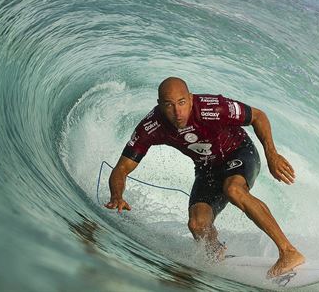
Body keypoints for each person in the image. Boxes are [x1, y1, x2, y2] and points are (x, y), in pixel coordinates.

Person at [105, 77, 305, 278]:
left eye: (182, 102)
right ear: (160, 106)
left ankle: (288, 252)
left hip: (239, 153)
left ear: (191, 99)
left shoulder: (212, 108)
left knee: (233, 190)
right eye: (169, 105)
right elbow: (121, 169)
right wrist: (116, 196)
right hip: (207, 168)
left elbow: (258, 116)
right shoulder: (152, 126)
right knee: (197, 224)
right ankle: (216, 253)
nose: (177, 112)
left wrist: (271, 154)